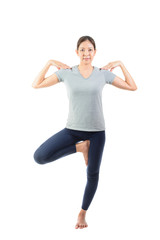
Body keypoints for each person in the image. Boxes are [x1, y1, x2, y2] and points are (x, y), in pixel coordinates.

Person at [32, 36, 137, 229]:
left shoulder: (102, 73)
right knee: (40, 156)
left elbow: (132, 87)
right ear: (76, 52)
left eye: (90, 50)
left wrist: (120, 64)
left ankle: (82, 214)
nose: (86, 53)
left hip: (97, 132)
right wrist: (50, 62)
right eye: (82, 50)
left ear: (95, 52)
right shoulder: (67, 73)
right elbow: (36, 84)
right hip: (72, 130)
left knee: (93, 173)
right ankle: (81, 148)